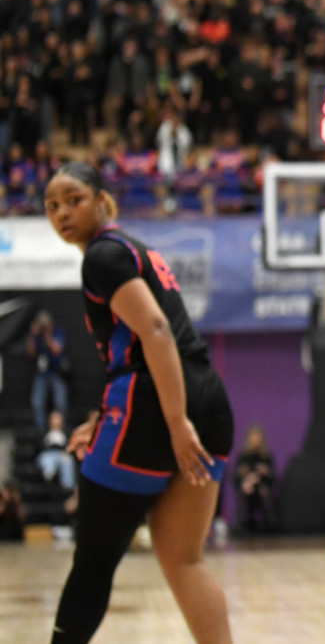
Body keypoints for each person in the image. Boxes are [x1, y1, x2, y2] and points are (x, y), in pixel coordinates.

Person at [42, 162, 235, 644]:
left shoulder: (102, 256)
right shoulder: (134, 250)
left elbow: (153, 331)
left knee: (93, 559)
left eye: (74, 199)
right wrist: (101, 417)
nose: (62, 212)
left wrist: (173, 421)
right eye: (51, 206)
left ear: (103, 200)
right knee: (184, 560)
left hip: (155, 408)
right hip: (208, 398)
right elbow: (137, 343)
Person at [27, 310, 69, 431]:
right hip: (41, 373)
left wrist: (47, 334)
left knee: (60, 403)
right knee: (37, 403)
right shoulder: (37, 335)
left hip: (56, 372)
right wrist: (33, 334)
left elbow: (57, 349)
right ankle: (41, 431)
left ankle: (59, 430)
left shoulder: (57, 332)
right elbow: (31, 352)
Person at [234, 425, 276, 533]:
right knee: (248, 492)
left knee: (260, 493)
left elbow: (272, 476)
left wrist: (266, 472)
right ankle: (246, 523)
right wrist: (242, 473)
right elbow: (237, 475)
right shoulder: (244, 456)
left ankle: (264, 525)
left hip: (261, 487)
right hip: (248, 488)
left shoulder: (266, 457)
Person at [37, 409, 76, 493]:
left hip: (62, 454)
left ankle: (67, 488)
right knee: (47, 460)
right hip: (47, 454)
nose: (55, 421)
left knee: (67, 460)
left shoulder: (67, 433)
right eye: (53, 418)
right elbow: (38, 447)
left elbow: (71, 447)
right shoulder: (44, 433)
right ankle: (49, 484)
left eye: (57, 418)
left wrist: (64, 451)